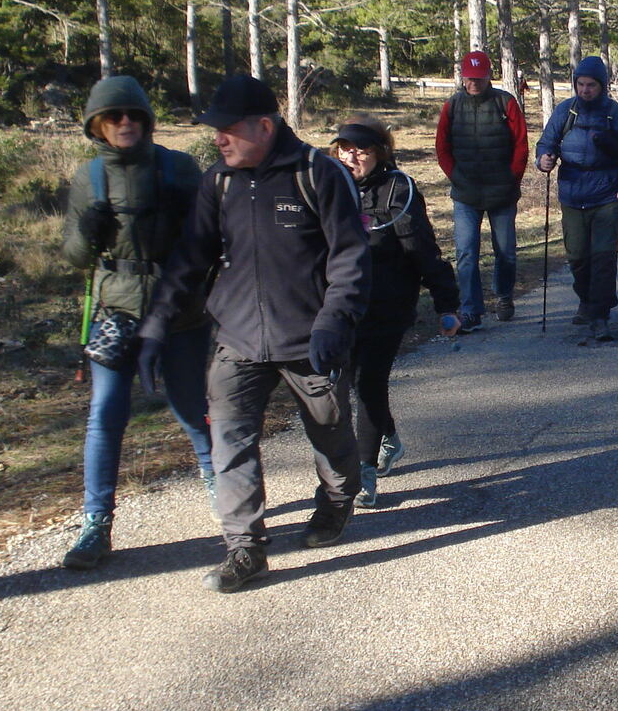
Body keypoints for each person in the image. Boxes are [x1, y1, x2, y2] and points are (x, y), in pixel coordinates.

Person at [137, 75, 370, 593]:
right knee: (230, 441)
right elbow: (189, 260)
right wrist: (155, 325)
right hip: (238, 339)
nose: (218, 139)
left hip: (310, 340)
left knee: (330, 432)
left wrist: (333, 322)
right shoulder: (218, 182)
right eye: (214, 129)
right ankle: (245, 547)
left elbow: (350, 258)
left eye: (228, 129)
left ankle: (337, 499)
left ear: (264, 127)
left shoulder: (319, 174)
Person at [60, 76, 212, 571]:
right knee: (105, 415)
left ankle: (222, 488)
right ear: (97, 126)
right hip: (116, 311)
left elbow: (212, 237)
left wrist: (186, 219)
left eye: (133, 115)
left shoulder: (179, 167)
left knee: (191, 408)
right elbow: (74, 256)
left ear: (147, 121)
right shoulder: (88, 178)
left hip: (180, 310)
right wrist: (88, 233)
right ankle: (95, 523)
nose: (125, 122)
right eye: (113, 116)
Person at [329, 115, 461, 507]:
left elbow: (422, 250)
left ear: (380, 153)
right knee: (346, 385)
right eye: (345, 149)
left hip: (386, 305)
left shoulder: (397, 190)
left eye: (361, 150)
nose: (352, 157)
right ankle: (388, 437)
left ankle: (363, 472)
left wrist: (447, 303)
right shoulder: (326, 186)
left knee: (369, 384)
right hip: (340, 306)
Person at [534, 56, 618, 341]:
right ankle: (587, 300)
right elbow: (546, 143)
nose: (585, 90)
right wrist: (543, 159)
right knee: (577, 257)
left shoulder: (617, 115)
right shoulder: (565, 111)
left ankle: (600, 316)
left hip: (608, 194)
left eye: (591, 85)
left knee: (603, 257)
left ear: (602, 86)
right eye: (580, 84)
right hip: (572, 194)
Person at [434, 50, 528, 330]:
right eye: (470, 77)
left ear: (489, 76)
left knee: (506, 252)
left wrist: (512, 177)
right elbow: (442, 147)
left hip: (502, 191)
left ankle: (504, 295)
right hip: (466, 193)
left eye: (479, 77)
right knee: (466, 252)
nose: (473, 82)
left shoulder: (505, 103)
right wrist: (455, 176)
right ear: (463, 77)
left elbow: (521, 144)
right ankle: (471, 310)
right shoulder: (452, 106)